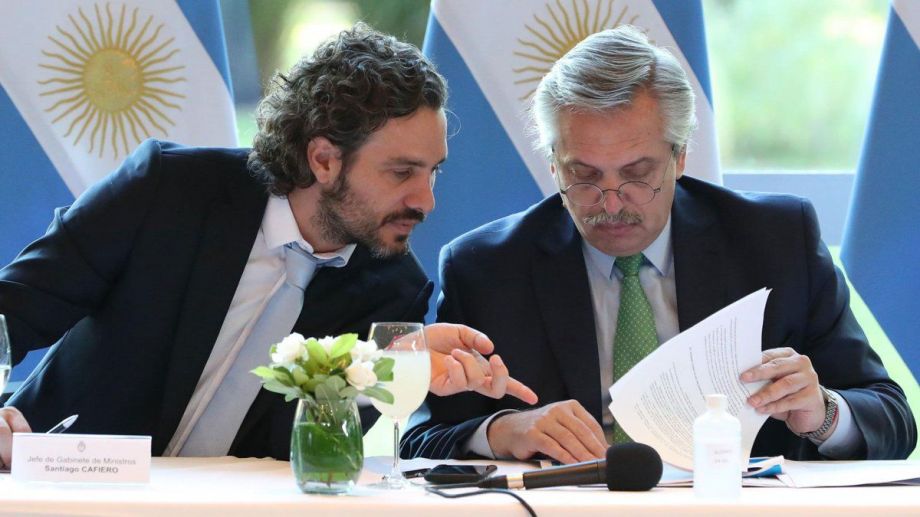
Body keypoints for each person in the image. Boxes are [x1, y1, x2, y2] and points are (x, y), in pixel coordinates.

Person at [0, 24, 537, 468]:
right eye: (402, 173)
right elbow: (12, 311)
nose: (426, 201)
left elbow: (309, 455)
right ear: (323, 160)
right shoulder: (168, 189)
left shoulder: (394, 289)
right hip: (59, 483)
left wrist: (382, 371)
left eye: (433, 172)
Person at [402, 25, 916, 464]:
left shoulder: (777, 241)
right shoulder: (486, 267)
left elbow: (892, 419)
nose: (610, 202)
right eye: (584, 175)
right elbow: (419, 442)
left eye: (637, 173)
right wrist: (501, 432)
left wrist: (822, 413)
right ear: (554, 165)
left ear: (681, 156)